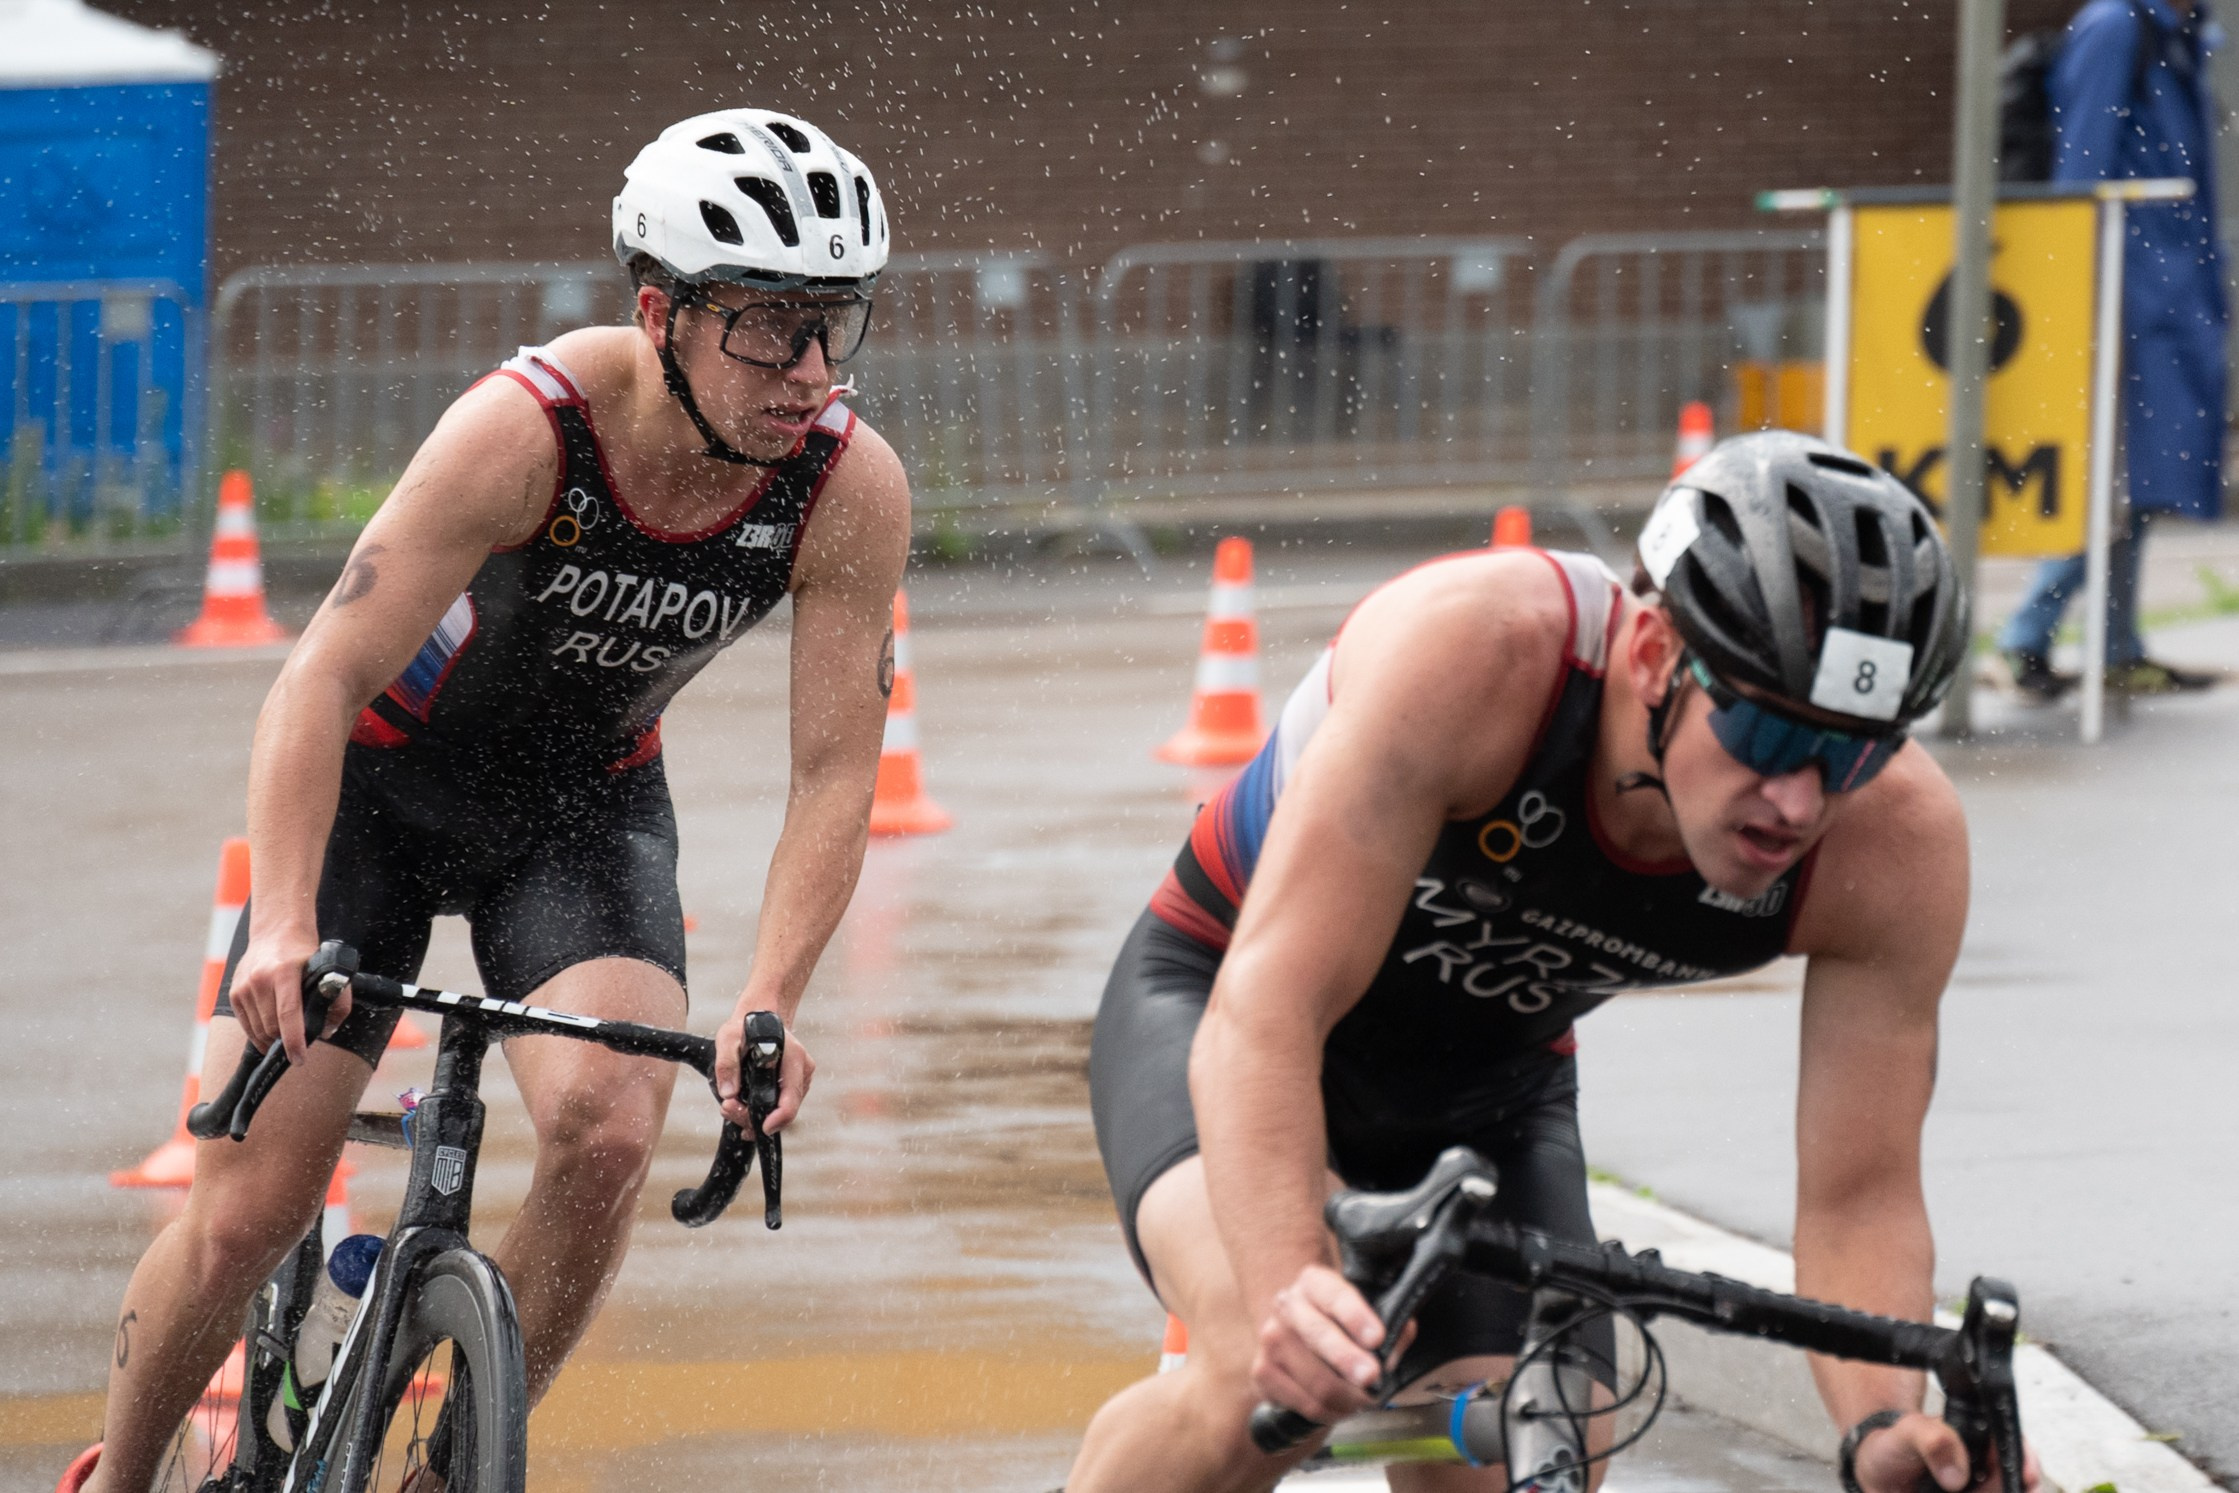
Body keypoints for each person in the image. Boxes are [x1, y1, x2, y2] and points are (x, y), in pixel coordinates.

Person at [70, 108, 909, 1493]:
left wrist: (770, 996)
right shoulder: (528, 432)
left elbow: (832, 771)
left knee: (611, 1132)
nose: (808, 371)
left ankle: (444, 1461)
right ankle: (116, 1476)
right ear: (661, 312)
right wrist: (280, 921)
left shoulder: (842, 485)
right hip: (380, 805)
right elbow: (322, 675)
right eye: (765, 325)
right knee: (247, 1212)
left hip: (578, 814)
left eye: (835, 324)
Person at [1070, 433, 2039, 1493]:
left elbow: (1860, 1197)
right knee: (1270, 1389)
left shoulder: (1893, 847)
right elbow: (1268, 1014)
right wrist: (1286, 1281)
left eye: (1852, 750)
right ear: (1653, 656)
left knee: (1541, 1443)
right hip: (1223, 1004)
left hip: (1487, 1093)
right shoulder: (1478, 655)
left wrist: (1884, 1425)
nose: (1800, 800)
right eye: (1766, 734)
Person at [2000, 0, 2227, 700]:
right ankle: (2029, 632)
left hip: (2166, 284)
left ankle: (2115, 643)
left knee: (2146, 474)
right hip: (2129, 288)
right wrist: (2082, 288)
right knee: (2117, 474)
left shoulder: (2172, 36)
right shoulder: (2118, 28)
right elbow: (2082, 164)